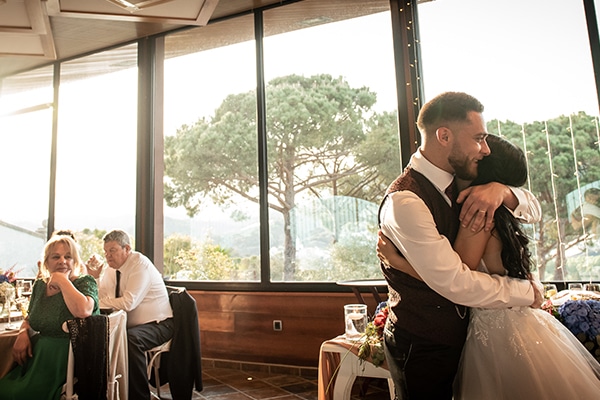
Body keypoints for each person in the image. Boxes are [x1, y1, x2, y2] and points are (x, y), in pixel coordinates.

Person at [379, 135, 600, 399]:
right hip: (521, 323)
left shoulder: (478, 212)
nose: (478, 149)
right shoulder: (498, 210)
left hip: (497, 330)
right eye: (478, 142)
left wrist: (400, 264)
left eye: (482, 150)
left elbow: (456, 278)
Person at [377, 91, 543, 399]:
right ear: (444, 136)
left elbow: (533, 209)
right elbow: (456, 281)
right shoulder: (406, 201)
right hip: (424, 343)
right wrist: (527, 292)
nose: (484, 149)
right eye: (479, 139)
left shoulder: (467, 181)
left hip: (468, 337)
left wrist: (503, 191)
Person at [0, 235, 99, 400]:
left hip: (69, 363)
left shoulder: (84, 282)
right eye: (56, 257)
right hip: (38, 359)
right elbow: (30, 317)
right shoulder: (40, 285)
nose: (62, 261)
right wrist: (23, 332)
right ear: (46, 262)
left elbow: (83, 311)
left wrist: (61, 280)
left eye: (68, 257)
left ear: (75, 261)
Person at [87, 230, 173, 400]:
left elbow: (128, 303)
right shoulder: (111, 269)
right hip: (131, 326)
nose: (108, 256)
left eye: (112, 251)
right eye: (105, 251)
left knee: (130, 339)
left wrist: (97, 303)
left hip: (159, 324)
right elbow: (101, 296)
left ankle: (139, 397)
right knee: (97, 336)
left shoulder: (140, 265)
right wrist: (95, 278)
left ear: (127, 248)